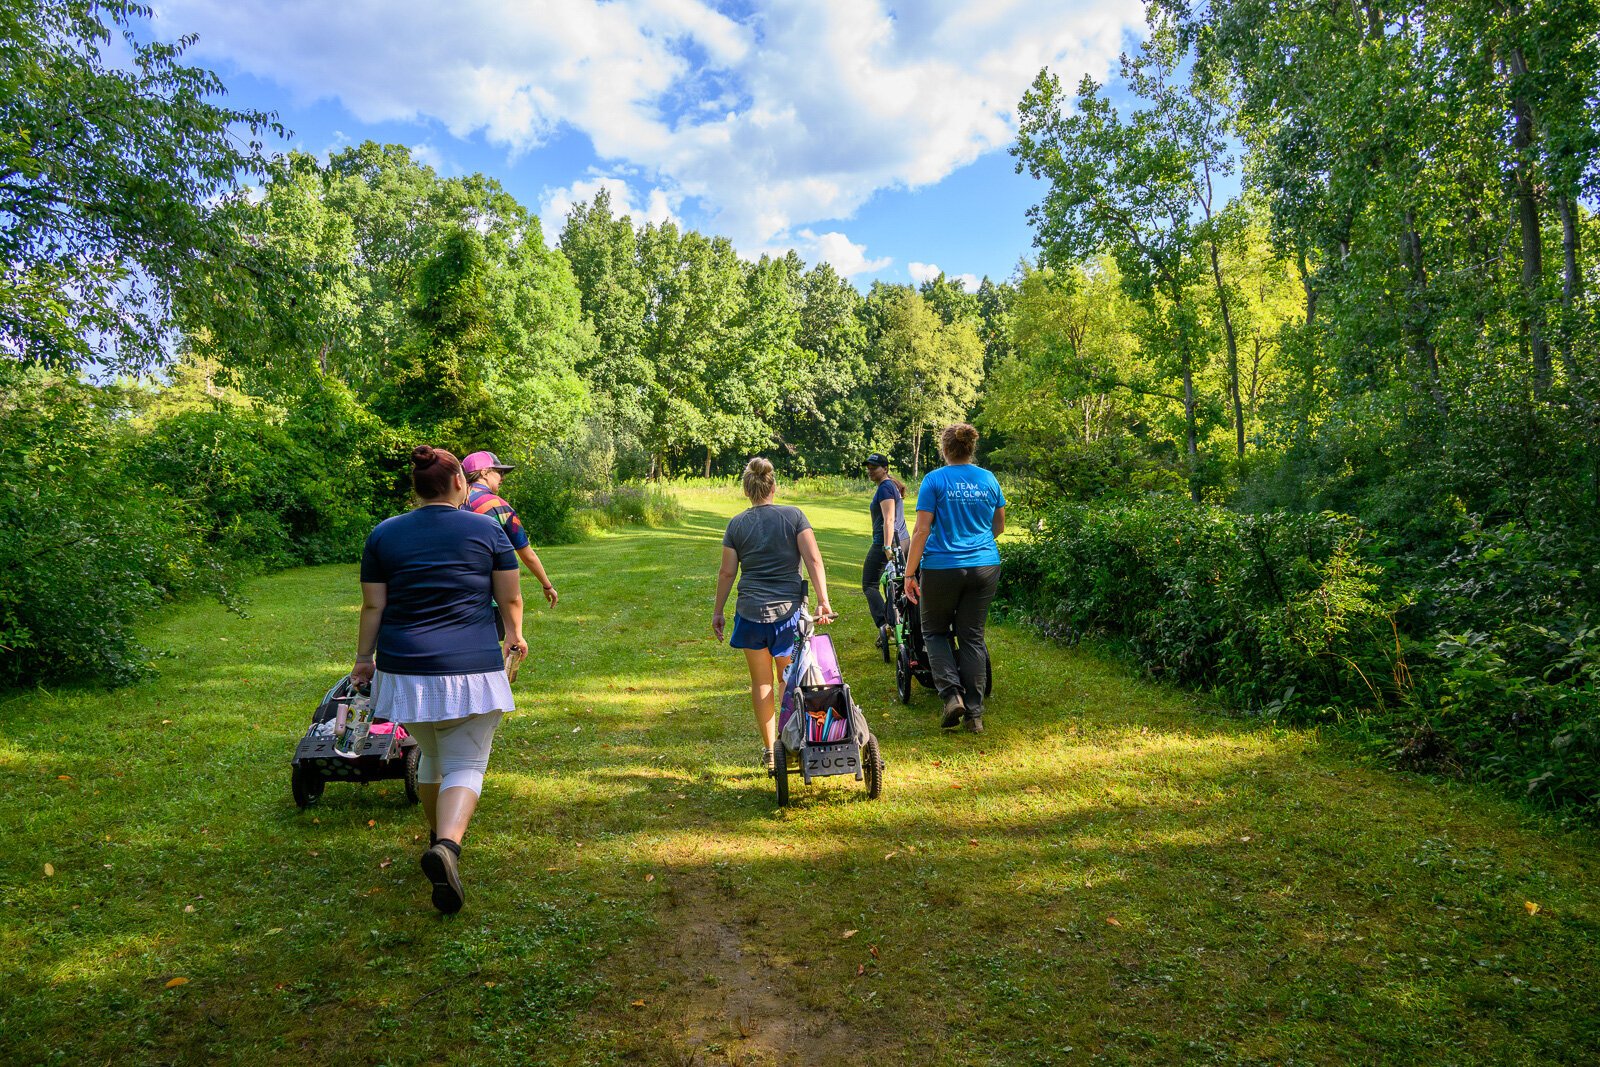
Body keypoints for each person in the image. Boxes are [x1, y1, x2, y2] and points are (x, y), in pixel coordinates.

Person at [352, 445, 524, 914]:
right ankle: (447, 846)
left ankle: (434, 837)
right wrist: (515, 636)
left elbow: (373, 606)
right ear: (457, 484)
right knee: (467, 763)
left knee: (430, 752)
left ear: (417, 488)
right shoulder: (486, 529)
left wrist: (364, 658)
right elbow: (509, 598)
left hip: (403, 673)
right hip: (469, 669)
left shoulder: (383, 534)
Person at [712, 457, 835, 773]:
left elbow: (727, 573)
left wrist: (718, 612)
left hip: (750, 613)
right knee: (790, 681)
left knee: (762, 684)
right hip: (789, 615)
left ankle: (771, 751)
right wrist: (823, 600)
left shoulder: (736, 524)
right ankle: (790, 742)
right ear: (773, 486)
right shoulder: (793, 516)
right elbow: (814, 560)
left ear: (746, 490)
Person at [903, 424, 1006, 734]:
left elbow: (921, 531)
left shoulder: (934, 480)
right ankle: (975, 715)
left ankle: (952, 696)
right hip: (985, 565)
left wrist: (909, 573)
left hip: (942, 567)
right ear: (970, 449)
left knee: (933, 631)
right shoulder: (988, 479)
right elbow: (998, 526)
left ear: (945, 449)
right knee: (972, 636)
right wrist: (977, 543)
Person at [460, 450, 559, 609]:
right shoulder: (499, 506)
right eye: (499, 472)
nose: (503, 478)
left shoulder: (453, 502)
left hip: (451, 594)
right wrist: (547, 585)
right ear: (485, 473)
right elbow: (526, 553)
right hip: (485, 599)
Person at [860, 452, 910, 653]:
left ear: (885, 468)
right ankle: (895, 621)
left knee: (869, 584)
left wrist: (887, 547)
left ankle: (886, 625)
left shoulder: (885, 488)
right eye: (869, 467)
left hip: (889, 543)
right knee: (894, 585)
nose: (870, 470)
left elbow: (889, 519)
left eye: (875, 467)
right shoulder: (890, 486)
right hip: (903, 541)